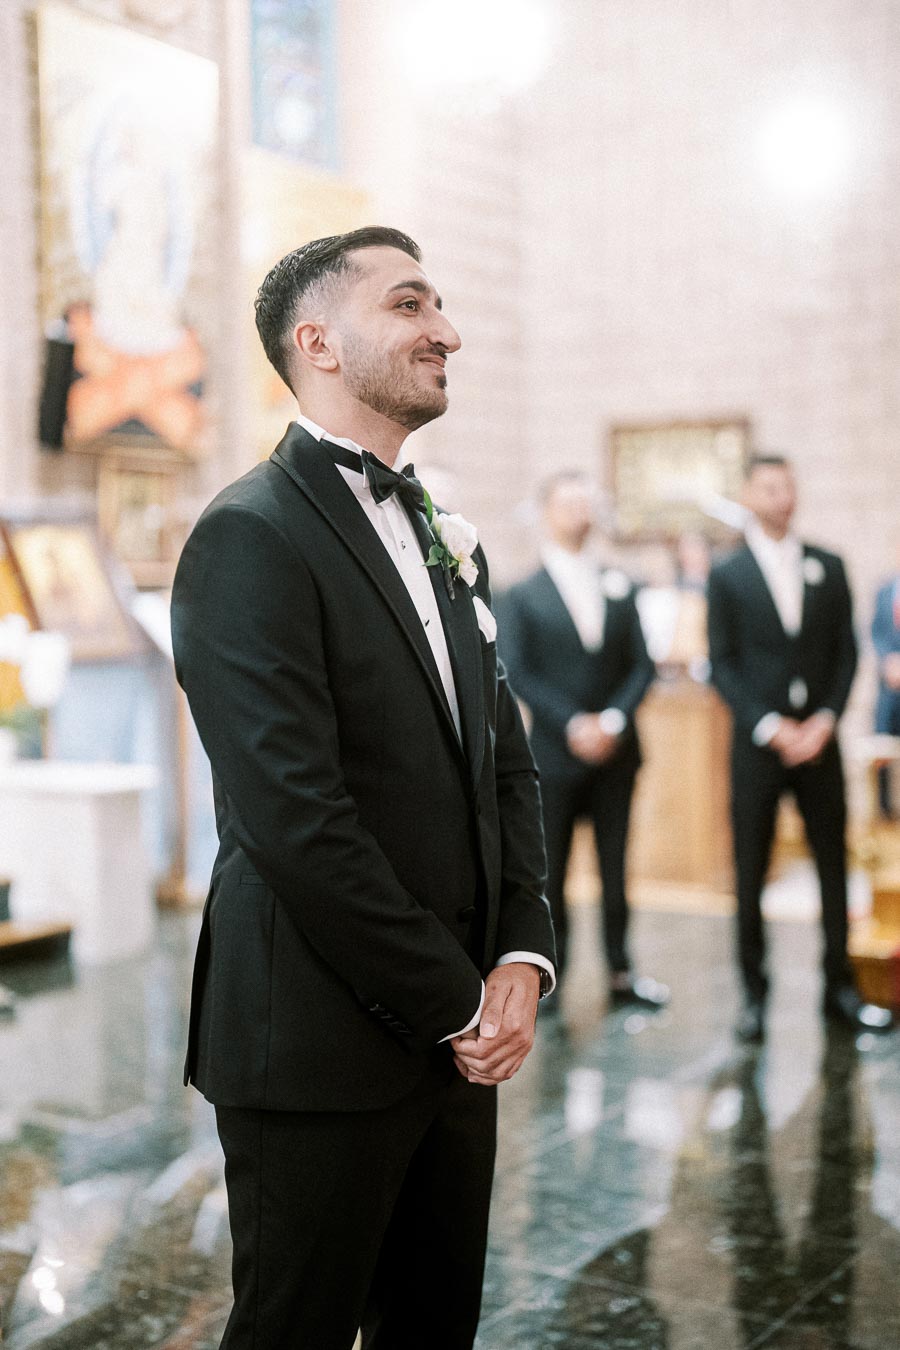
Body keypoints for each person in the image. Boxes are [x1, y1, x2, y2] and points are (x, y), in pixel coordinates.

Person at [170, 227, 556, 1350]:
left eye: (438, 306)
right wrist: (457, 999)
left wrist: (523, 956)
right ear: (318, 341)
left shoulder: (446, 536)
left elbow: (505, 759)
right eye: (411, 305)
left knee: (435, 1327)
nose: (448, 331)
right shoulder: (248, 535)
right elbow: (296, 821)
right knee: (295, 1328)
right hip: (318, 1041)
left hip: (462, 1035)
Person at [707, 453, 893, 1042]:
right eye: (769, 487)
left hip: (819, 742)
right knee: (751, 865)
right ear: (748, 494)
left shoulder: (828, 565)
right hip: (759, 746)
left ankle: (839, 987)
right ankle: (754, 997)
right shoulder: (728, 574)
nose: (781, 497)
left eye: (788, 486)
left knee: (834, 865)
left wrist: (825, 721)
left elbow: (847, 653)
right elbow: (723, 663)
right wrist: (770, 726)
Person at [498, 472, 667, 1011]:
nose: (578, 511)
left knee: (617, 869)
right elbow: (517, 670)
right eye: (567, 502)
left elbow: (642, 663)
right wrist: (573, 722)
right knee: (552, 871)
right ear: (545, 512)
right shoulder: (522, 593)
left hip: (617, 751)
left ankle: (621, 971)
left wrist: (614, 720)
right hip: (555, 750)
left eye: (585, 502)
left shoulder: (621, 582)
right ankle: (554, 975)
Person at [872, 547, 900, 817]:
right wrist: (888, 662)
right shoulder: (884, 590)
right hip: (889, 685)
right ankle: (884, 808)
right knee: (882, 744)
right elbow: (876, 632)